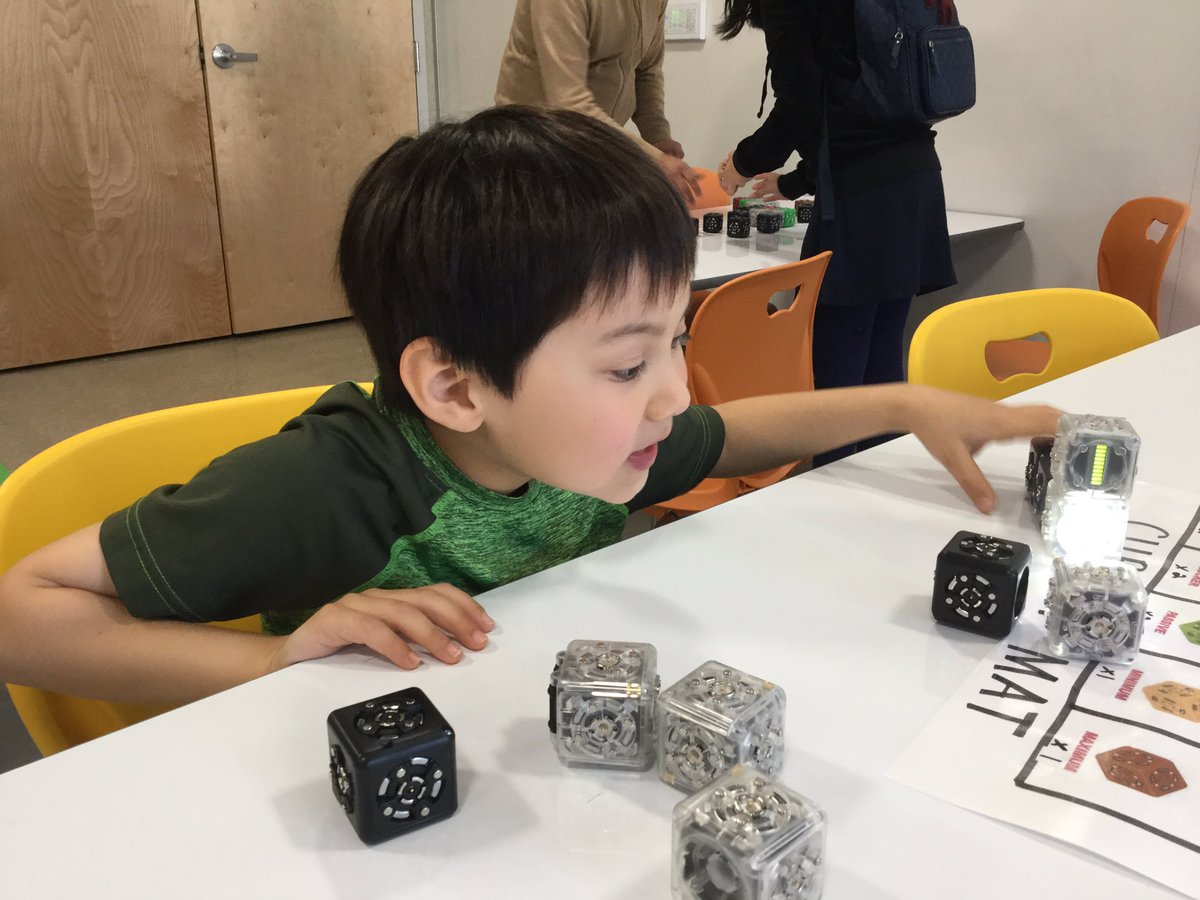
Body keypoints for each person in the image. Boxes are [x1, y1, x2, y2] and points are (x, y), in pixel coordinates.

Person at [0, 107, 1057, 706]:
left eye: (675, 344)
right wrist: (272, 660)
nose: (673, 394)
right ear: (455, 388)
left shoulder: (597, 443)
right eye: (625, 364)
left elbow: (734, 432)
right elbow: (23, 612)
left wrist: (908, 400)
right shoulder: (336, 485)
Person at [715, 0, 958, 463]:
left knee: (836, 386)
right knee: (881, 368)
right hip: (915, 178)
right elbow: (852, 104)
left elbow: (801, 106)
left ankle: (837, 508)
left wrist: (741, 164)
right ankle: (876, 508)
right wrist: (791, 183)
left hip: (861, 202)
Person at [495, 0, 702, 202]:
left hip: (596, 147)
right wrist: (652, 158)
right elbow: (569, 106)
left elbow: (646, 71)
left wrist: (658, 137)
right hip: (532, 150)